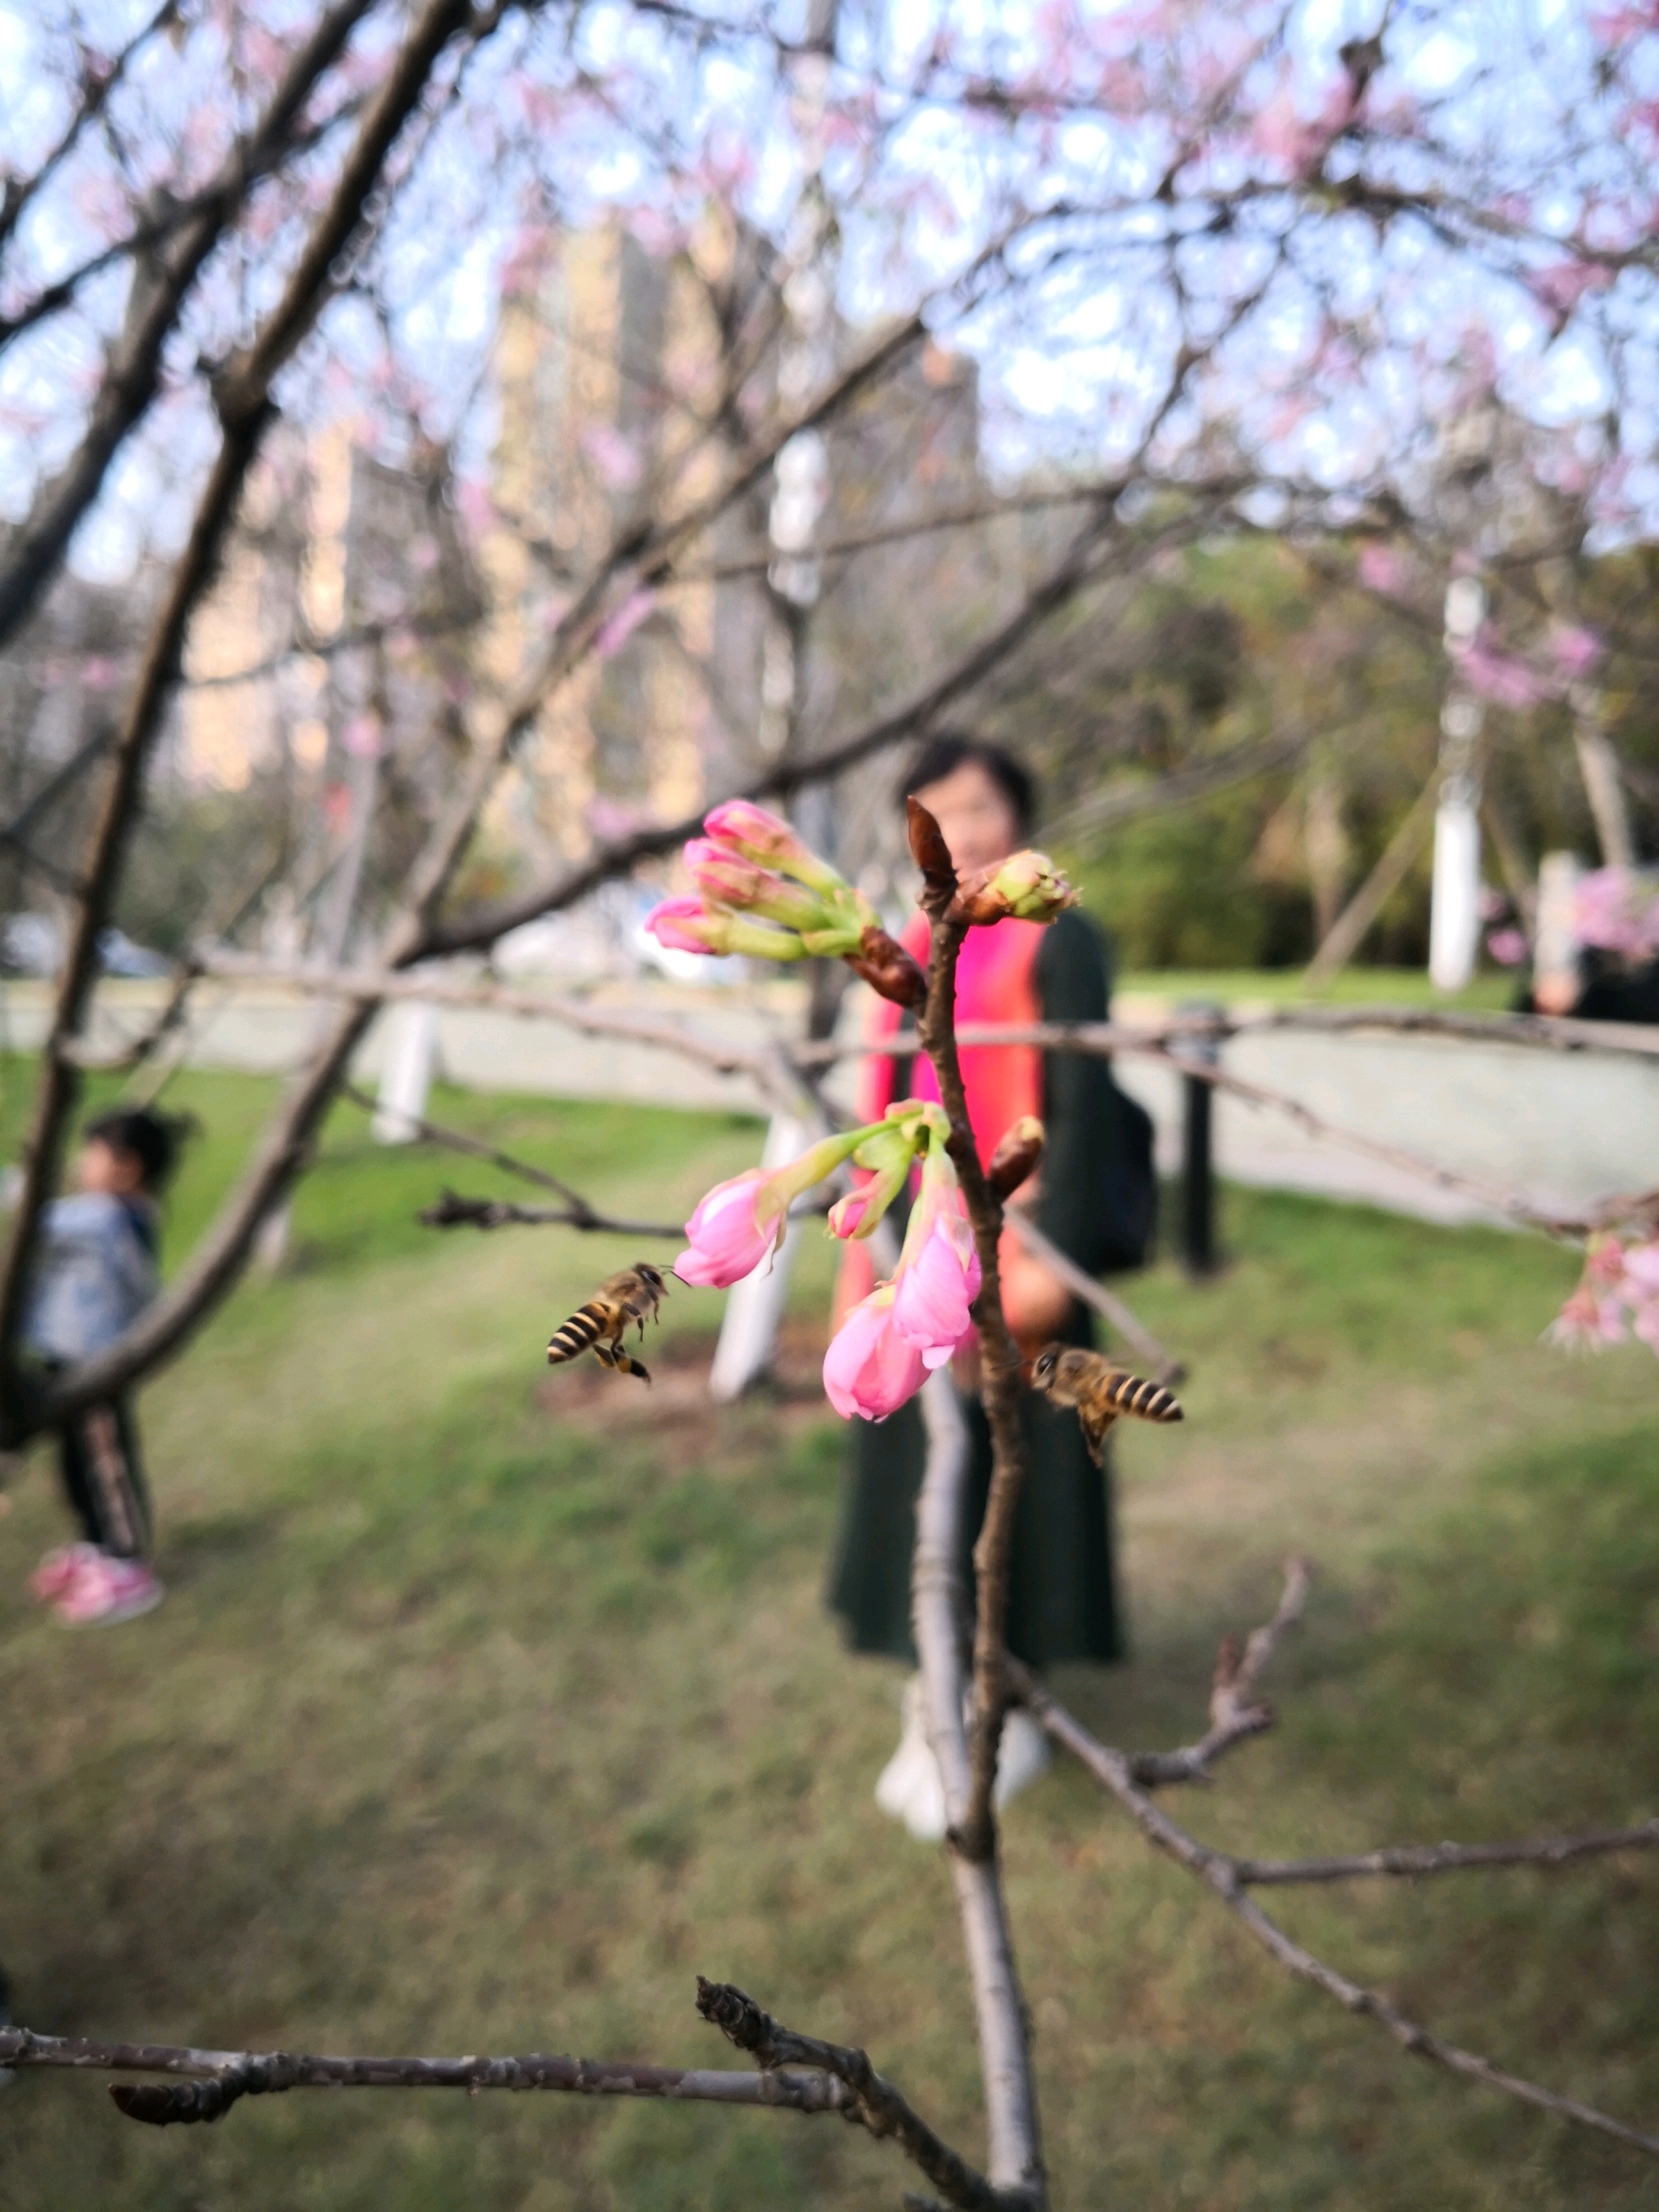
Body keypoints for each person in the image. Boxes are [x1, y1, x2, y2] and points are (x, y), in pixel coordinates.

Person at [827, 735, 1155, 1838]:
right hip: (913, 1256)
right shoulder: (903, 951)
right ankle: (928, 1693)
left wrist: (1043, 1278)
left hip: (1021, 1262)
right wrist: (855, 1266)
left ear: (1017, 815)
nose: (963, 830)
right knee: (918, 1481)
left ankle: (1006, 1706)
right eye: (937, 810)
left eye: (981, 806)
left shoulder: (1059, 942)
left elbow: (1086, 1103)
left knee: (1021, 1484)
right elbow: (877, 1121)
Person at [23, 1107, 178, 1627]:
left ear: (127, 1168)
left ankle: (127, 1564)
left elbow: (38, 1215)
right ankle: (94, 1547)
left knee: (106, 1466)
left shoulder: (111, 1216)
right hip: (66, 1357)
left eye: (93, 1154)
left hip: (98, 1365)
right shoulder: (103, 1213)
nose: (80, 1163)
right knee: (75, 1461)